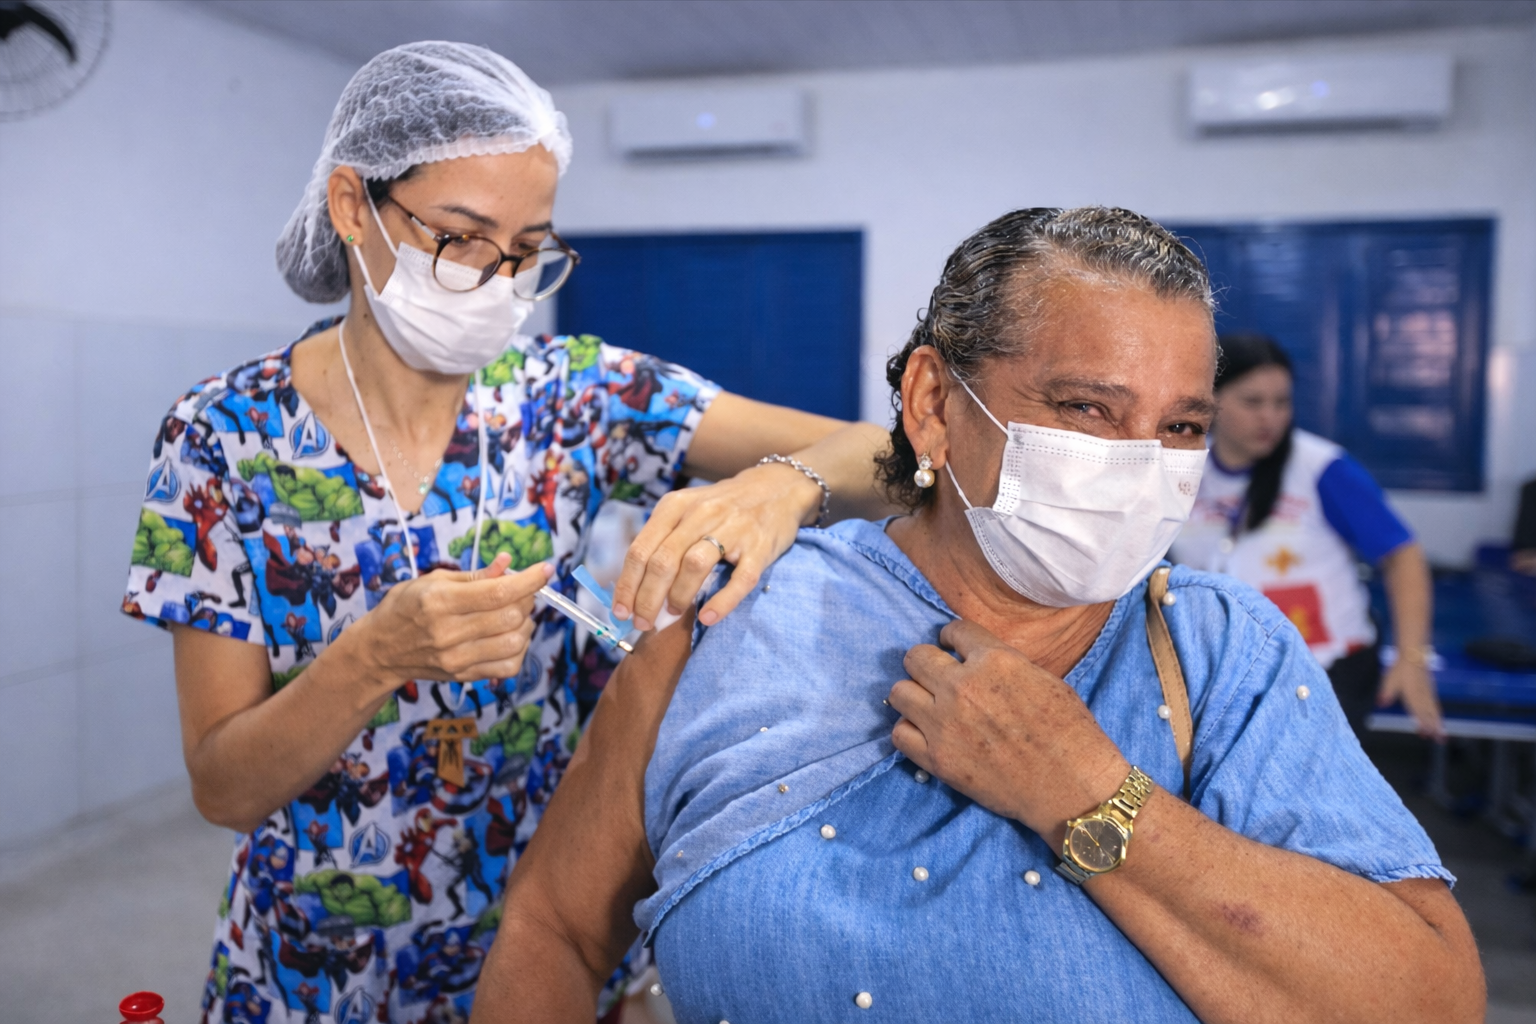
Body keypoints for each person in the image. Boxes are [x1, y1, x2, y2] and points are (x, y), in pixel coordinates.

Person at [472, 207, 1483, 1024]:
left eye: (1181, 426)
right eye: (1089, 409)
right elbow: (555, 929)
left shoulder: (1224, 654)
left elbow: (1431, 1002)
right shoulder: (730, 618)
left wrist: (1088, 791)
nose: (1142, 466)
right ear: (933, 404)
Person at [122, 42, 894, 1023]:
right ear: (354, 206)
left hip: (554, 951)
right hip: (317, 968)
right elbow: (225, 788)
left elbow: (886, 459)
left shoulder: (574, 396)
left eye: (529, 248)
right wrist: (371, 658)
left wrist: (781, 487)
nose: (498, 278)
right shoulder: (224, 437)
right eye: (461, 236)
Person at [1168, 334, 1443, 738]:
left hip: (1324, 672)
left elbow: (1402, 553)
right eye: (1253, 402)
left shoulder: (1321, 468)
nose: (1270, 418)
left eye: (1281, 403)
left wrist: (1412, 659)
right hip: (1231, 674)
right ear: (1212, 401)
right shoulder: (1185, 468)